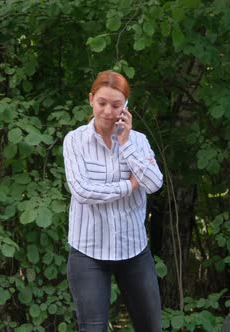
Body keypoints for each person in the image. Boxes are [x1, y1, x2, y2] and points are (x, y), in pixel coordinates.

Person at [63, 70, 163, 332]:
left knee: (151, 327)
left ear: (126, 106)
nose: (108, 111)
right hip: (88, 252)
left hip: (133, 250)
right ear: (91, 100)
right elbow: (82, 191)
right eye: (102, 103)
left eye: (116, 105)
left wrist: (126, 144)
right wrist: (129, 185)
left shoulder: (138, 141)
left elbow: (154, 184)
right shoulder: (74, 141)